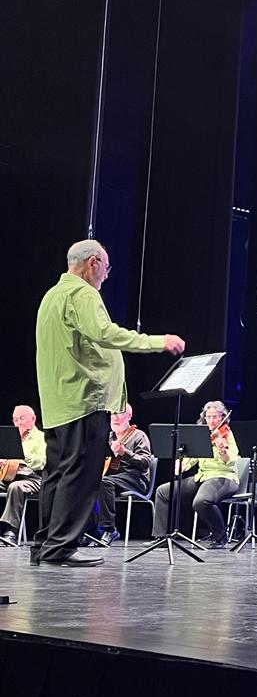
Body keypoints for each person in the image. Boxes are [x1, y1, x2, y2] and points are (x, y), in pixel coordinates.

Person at [33, 239, 184, 567]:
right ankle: (60, 548)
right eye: (106, 267)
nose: (106, 274)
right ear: (93, 263)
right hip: (85, 399)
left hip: (59, 401)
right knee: (81, 476)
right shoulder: (83, 294)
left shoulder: (52, 296)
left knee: (56, 473)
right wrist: (156, 342)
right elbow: (105, 334)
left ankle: (44, 545)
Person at [150, 401, 240, 548]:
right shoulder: (203, 434)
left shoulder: (227, 435)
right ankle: (161, 537)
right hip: (202, 477)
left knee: (201, 501)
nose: (211, 421)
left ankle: (220, 537)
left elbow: (230, 462)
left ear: (223, 417)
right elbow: (193, 456)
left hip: (224, 477)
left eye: (215, 417)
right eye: (208, 417)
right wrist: (182, 465)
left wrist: (223, 450)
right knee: (163, 492)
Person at [84, 403, 155, 546]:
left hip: (135, 478)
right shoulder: (108, 436)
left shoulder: (138, 435)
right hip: (113, 477)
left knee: (104, 482)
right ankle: (92, 531)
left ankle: (109, 529)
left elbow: (145, 462)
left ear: (129, 416)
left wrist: (124, 453)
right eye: (113, 415)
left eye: (120, 414)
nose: (115, 418)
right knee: (88, 483)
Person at [0, 406, 47, 543]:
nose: (18, 423)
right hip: (9, 476)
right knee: (13, 484)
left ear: (33, 419)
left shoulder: (41, 438)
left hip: (34, 478)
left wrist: (19, 455)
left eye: (22, 418)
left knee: (16, 487)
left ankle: (11, 531)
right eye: (15, 419)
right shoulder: (11, 438)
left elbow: (41, 462)